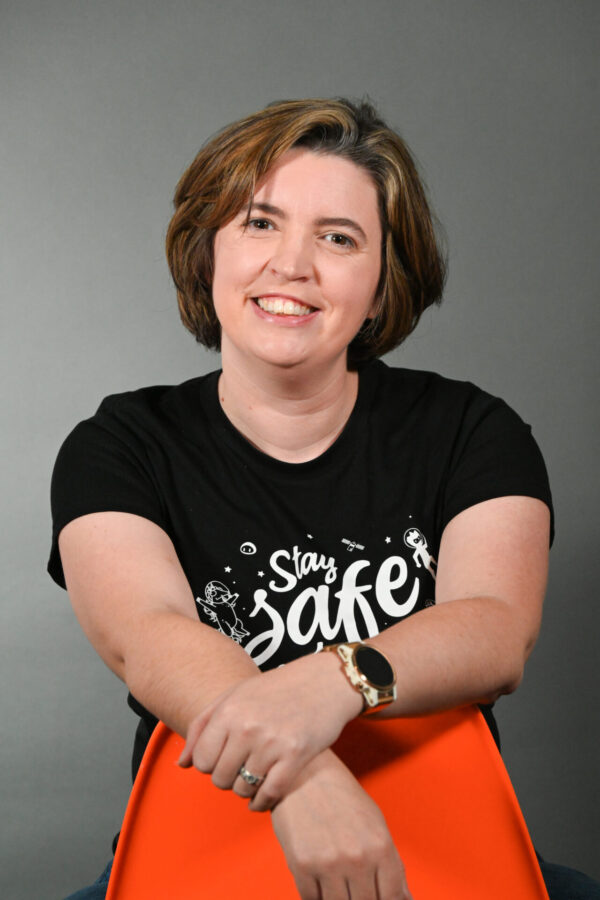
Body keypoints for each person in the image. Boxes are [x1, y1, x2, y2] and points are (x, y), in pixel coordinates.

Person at [48, 98, 600, 899]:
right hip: (197, 849)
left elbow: (495, 628)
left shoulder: (472, 429)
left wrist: (335, 683)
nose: (292, 265)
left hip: (448, 845)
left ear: (380, 286)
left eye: (338, 238)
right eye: (259, 224)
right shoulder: (120, 445)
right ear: (207, 254)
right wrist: (305, 781)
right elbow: (148, 634)